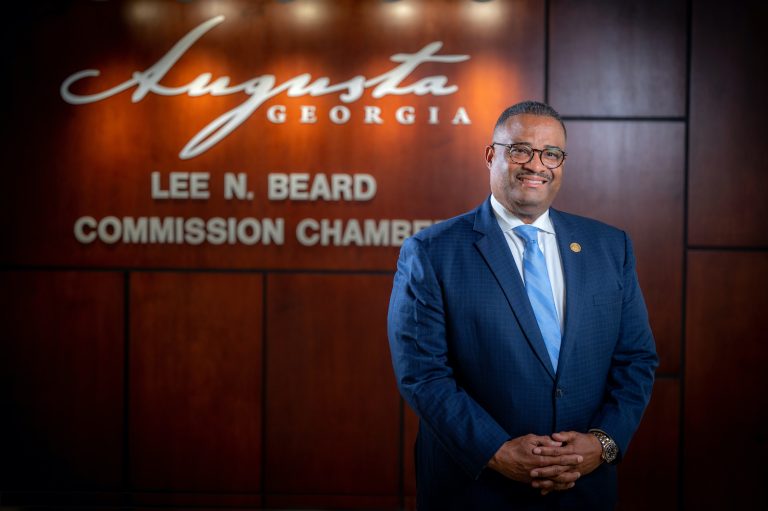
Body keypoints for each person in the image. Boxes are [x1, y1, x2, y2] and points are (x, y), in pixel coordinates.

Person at [387, 100, 658, 510]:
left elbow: (636, 358)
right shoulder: (431, 252)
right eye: (520, 150)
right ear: (491, 155)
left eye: (551, 153)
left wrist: (603, 443)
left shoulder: (609, 247)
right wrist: (496, 451)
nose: (537, 165)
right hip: (476, 488)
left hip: (582, 487)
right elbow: (423, 375)